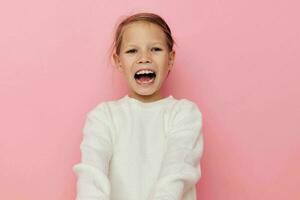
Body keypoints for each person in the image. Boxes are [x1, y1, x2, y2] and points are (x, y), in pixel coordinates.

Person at [73, 12, 204, 200]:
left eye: (156, 49)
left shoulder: (185, 114)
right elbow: (91, 175)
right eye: (132, 51)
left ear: (171, 58)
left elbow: (177, 170)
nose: (144, 58)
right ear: (118, 61)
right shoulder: (103, 116)